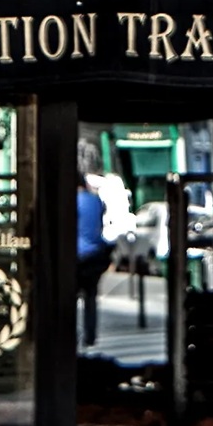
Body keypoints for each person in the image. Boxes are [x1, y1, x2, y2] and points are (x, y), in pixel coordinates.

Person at [76, 144, 121, 344]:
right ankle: (90, 335)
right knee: (90, 297)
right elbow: (98, 226)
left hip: (75, 256)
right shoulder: (96, 201)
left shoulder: (71, 201)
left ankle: (69, 334)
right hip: (94, 256)